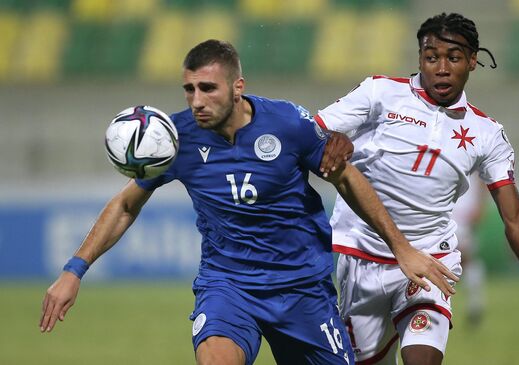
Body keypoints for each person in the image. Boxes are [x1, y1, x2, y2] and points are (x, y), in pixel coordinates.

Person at [39, 39, 459, 365]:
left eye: (207, 88)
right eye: (189, 89)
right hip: (229, 286)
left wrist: (402, 249)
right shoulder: (176, 138)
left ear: (238, 87)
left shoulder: (289, 125)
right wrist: (74, 269)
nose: (196, 100)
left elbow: (348, 180)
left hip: (301, 289)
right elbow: (127, 205)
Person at [314, 12, 519, 365]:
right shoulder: (381, 93)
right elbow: (311, 130)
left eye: (453, 57)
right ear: (420, 58)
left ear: (472, 61)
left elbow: (517, 220)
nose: (441, 68)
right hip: (363, 256)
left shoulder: (487, 134)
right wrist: (331, 139)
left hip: (431, 260)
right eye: (431, 57)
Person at [451, 173, 487, 327]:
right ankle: (474, 303)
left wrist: (480, 205)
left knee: (464, 257)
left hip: (462, 210)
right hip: (447, 207)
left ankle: (475, 303)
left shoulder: (472, 151)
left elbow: (483, 177)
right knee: (463, 259)